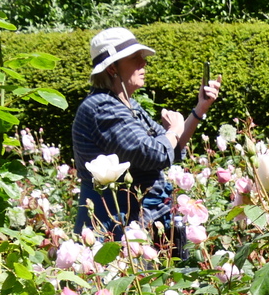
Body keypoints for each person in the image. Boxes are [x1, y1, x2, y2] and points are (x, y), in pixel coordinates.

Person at [72, 27, 222, 236]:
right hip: (114, 228)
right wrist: (174, 129)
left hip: (140, 221)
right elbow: (154, 154)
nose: (144, 63)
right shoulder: (102, 108)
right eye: (135, 58)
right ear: (112, 68)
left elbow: (171, 148)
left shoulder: (127, 104)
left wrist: (200, 108)